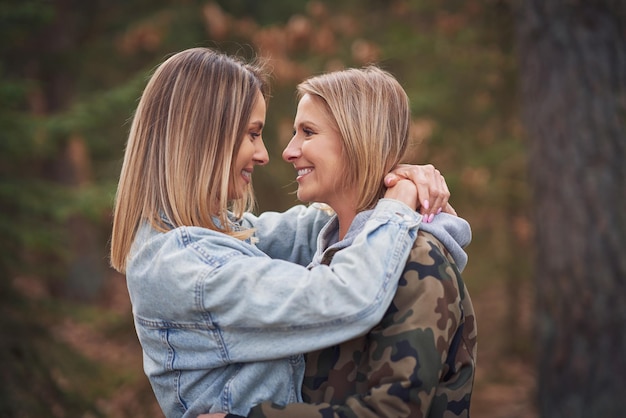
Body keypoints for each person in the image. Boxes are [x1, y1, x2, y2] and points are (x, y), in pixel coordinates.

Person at [109, 48, 462, 418]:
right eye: (252, 134)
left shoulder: (204, 236)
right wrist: (397, 205)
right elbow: (348, 297)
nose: (267, 154)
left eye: (307, 132)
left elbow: (307, 230)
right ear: (203, 136)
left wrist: (396, 183)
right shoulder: (190, 265)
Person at [203, 67, 476, 418]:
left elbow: (396, 410)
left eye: (308, 133)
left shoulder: (418, 258)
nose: (288, 151)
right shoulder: (329, 257)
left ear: (357, 139)